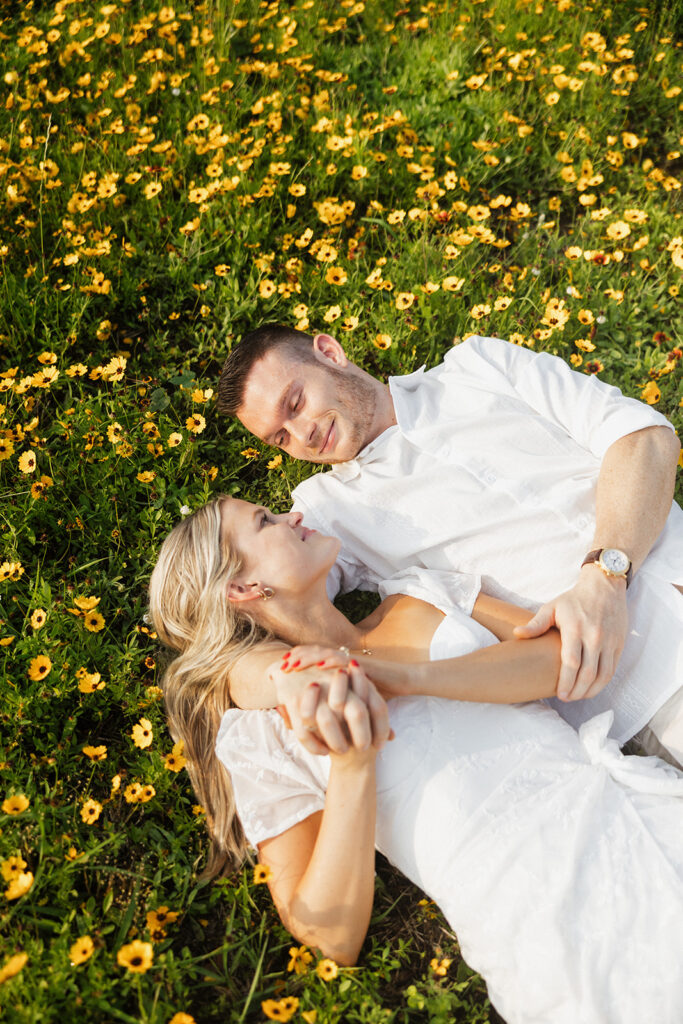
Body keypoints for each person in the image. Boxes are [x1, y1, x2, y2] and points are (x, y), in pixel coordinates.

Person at [148, 495, 683, 1024]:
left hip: (635, 813)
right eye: (265, 521)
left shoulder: (418, 594)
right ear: (243, 588)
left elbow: (562, 657)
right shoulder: (261, 732)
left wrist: (407, 678)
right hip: (537, 908)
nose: (293, 516)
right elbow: (329, 934)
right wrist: (353, 763)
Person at [217, 326, 683, 764]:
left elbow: (644, 438)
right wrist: (289, 679)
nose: (302, 436)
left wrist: (605, 578)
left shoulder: (478, 365)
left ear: (330, 353)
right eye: (280, 437)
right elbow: (245, 633)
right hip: (653, 685)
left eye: (295, 403)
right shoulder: (324, 514)